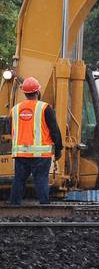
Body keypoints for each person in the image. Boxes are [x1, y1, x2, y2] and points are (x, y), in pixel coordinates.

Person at [9, 76, 63, 205]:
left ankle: (13, 208)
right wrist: (59, 149)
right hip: (40, 155)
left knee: (19, 181)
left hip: (21, 154)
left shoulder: (15, 109)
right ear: (38, 92)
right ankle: (44, 207)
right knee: (41, 180)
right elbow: (55, 130)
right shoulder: (45, 108)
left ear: (25, 92)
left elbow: (12, 130)